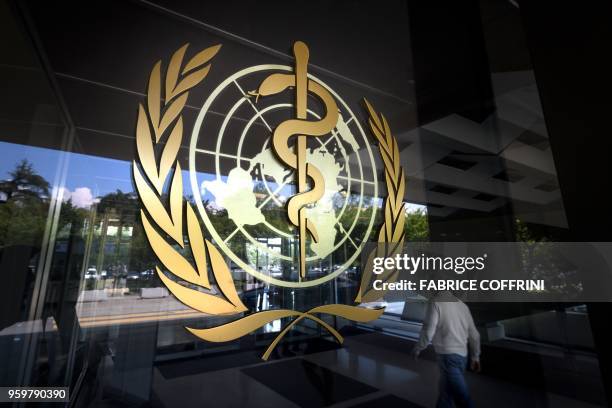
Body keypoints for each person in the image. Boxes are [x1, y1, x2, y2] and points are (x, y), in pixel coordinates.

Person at [411, 291, 481, 408]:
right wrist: (475, 357)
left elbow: (428, 330)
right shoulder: (462, 305)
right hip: (462, 357)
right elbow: (474, 335)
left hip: (448, 357)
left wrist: (418, 347)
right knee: (446, 394)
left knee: (462, 397)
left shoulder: (436, 302)